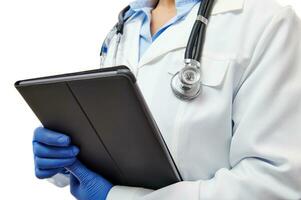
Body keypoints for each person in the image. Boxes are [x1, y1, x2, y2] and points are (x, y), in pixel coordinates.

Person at [32, 0, 301, 199]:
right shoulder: (125, 28)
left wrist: (116, 197)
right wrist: (72, 158)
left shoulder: (267, 23)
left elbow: (274, 183)